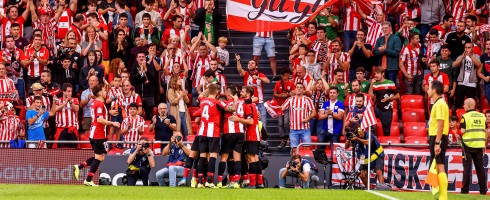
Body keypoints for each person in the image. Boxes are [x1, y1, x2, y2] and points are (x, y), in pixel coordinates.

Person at [73, 83, 121, 186]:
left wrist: (108, 112)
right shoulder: (99, 104)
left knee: (100, 156)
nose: (106, 92)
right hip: (98, 134)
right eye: (104, 90)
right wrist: (112, 123)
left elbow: (98, 114)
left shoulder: (95, 102)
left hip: (95, 133)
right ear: (99, 93)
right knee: (99, 157)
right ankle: (88, 179)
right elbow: (99, 119)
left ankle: (80, 167)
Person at [344, 98, 387, 188]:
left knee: (379, 171)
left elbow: (368, 143)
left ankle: (382, 188)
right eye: (357, 132)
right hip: (366, 159)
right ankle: (368, 188)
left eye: (360, 131)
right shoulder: (356, 136)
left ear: (363, 130)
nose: (359, 134)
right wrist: (349, 139)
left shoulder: (369, 135)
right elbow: (346, 147)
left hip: (377, 156)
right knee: (362, 174)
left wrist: (357, 138)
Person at [229, 86, 262, 189]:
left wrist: (237, 119)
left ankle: (252, 184)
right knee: (255, 159)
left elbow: (251, 121)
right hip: (255, 134)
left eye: (243, 92)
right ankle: (260, 183)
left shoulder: (248, 105)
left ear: (247, 94)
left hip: (251, 134)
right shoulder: (253, 105)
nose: (241, 93)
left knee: (251, 159)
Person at [216, 84, 245, 188]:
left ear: (228, 93)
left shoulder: (226, 103)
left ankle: (219, 181)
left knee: (224, 157)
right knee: (237, 157)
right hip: (240, 132)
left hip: (229, 132)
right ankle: (236, 181)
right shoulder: (243, 102)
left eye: (226, 92)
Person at [458, 98, 488, 195]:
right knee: (480, 168)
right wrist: (484, 143)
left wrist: (457, 133)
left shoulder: (465, 117)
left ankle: (465, 190)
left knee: (467, 167)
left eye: (465, 104)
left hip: (467, 145)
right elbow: (485, 131)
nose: (463, 106)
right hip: (479, 145)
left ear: (469, 106)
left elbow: (462, 131)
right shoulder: (482, 116)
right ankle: (483, 191)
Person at [426, 80, 449, 200]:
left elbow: (441, 124)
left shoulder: (440, 104)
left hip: (438, 137)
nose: (428, 90)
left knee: (440, 166)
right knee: (439, 165)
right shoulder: (439, 103)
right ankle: (441, 195)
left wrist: (436, 142)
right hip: (437, 136)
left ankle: (443, 197)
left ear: (434, 90)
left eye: (429, 88)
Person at [236, 54, 270, 128]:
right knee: (248, 123)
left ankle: (263, 139)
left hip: (260, 103)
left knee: (262, 125)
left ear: (256, 66)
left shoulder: (260, 74)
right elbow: (240, 70)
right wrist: (238, 61)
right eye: (249, 63)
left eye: (252, 63)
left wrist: (258, 77)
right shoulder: (246, 74)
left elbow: (267, 81)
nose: (250, 64)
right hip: (248, 103)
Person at [281, 83, 317, 153]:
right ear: (295, 89)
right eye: (297, 87)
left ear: (303, 90)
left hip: (305, 129)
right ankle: (295, 163)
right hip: (293, 129)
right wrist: (273, 107)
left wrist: (308, 118)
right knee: (294, 150)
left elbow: (314, 112)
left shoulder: (307, 100)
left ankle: (306, 163)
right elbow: (282, 108)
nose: (299, 88)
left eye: (301, 87)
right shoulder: (290, 99)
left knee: (307, 149)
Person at [369, 67, 399, 136]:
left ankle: (386, 142)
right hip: (378, 109)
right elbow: (370, 97)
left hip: (387, 110)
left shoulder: (390, 83)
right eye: (375, 73)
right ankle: (372, 134)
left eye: (378, 73)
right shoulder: (375, 85)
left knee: (386, 131)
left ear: (383, 74)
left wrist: (388, 99)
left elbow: (398, 96)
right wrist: (371, 84)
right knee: (369, 111)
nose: (376, 75)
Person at [453, 42, 481, 109]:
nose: (467, 49)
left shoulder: (476, 57)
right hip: (461, 82)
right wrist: (462, 57)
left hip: (471, 83)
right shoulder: (461, 56)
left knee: (471, 104)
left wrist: (471, 56)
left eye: (469, 48)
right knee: (458, 103)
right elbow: (454, 65)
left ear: (473, 48)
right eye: (466, 47)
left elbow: (479, 64)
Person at [51, 83, 79, 149]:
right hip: (61, 129)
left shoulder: (75, 100)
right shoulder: (58, 100)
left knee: (74, 149)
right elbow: (56, 109)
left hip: (72, 128)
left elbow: (76, 109)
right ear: (63, 91)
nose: (70, 93)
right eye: (68, 91)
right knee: (61, 149)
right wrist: (65, 103)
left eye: (71, 91)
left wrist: (70, 102)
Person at [130, 51, 157, 119]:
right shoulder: (133, 67)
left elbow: (153, 79)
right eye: (139, 57)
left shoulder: (150, 67)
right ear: (136, 59)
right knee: (138, 117)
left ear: (145, 58)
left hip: (149, 96)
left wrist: (146, 70)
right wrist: (140, 72)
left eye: (143, 57)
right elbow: (132, 80)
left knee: (150, 116)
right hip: (138, 95)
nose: (141, 58)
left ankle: (150, 129)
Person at [274, 68, 295, 149]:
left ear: (288, 75)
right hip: (279, 106)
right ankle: (282, 140)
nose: (284, 77)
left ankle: (289, 139)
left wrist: (287, 95)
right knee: (280, 124)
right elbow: (275, 94)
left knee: (286, 122)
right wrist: (282, 96)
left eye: (286, 75)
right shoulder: (278, 83)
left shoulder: (291, 83)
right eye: (283, 75)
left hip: (287, 105)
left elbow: (293, 93)